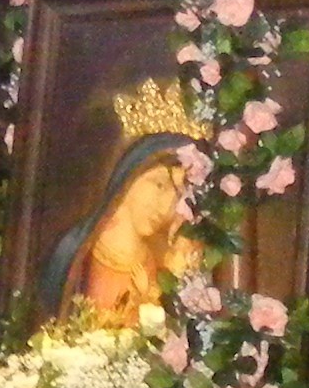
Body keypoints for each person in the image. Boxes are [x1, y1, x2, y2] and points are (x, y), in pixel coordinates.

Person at [34, 130, 202, 328]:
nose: (167, 208)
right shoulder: (74, 251)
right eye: (159, 185)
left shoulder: (159, 264)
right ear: (130, 175)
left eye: (178, 196)